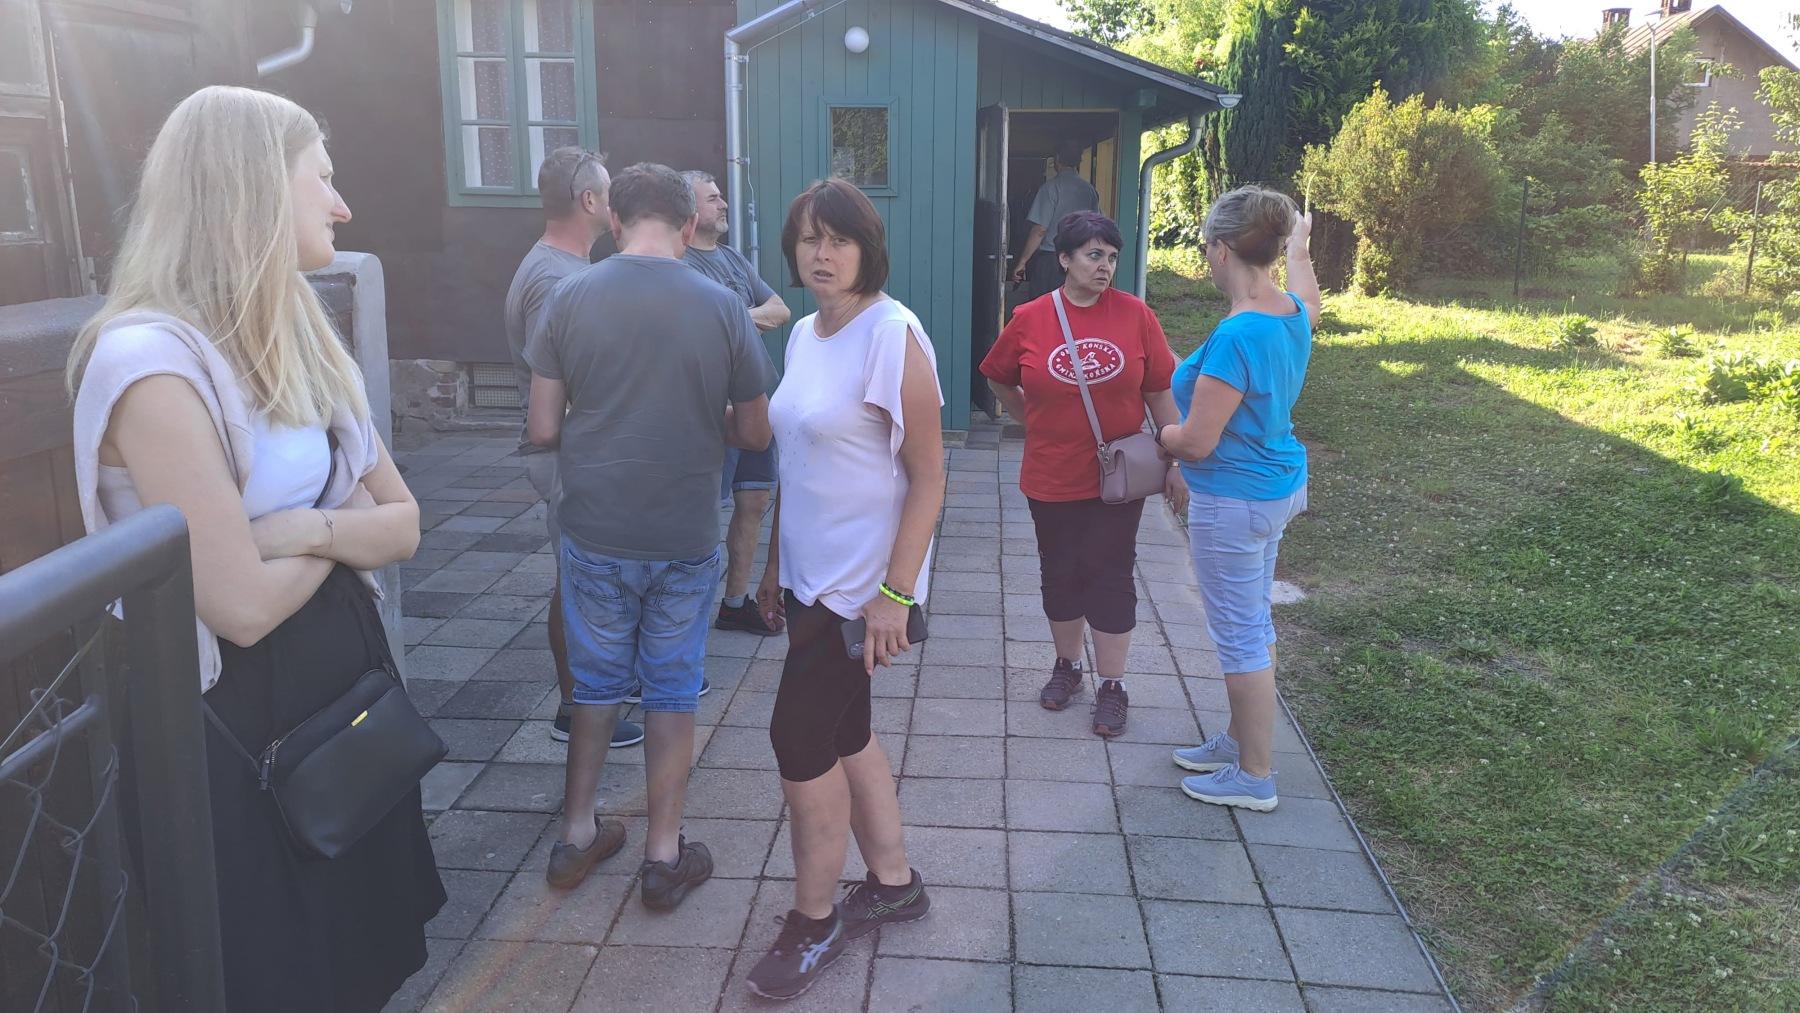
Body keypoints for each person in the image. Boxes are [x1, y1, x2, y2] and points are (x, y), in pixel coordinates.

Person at [66, 85, 444, 1011]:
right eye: (323, 177)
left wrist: (304, 528)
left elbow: (405, 523)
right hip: (235, 717)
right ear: (254, 188)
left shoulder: (297, 332)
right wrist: (340, 527)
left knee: (359, 958)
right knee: (275, 972)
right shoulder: (148, 361)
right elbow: (236, 607)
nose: (342, 205)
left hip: (336, 688)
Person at [524, 162, 775, 907]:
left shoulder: (569, 296)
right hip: (683, 531)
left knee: (596, 684)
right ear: (689, 225)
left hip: (595, 526)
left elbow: (543, 427)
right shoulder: (723, 305)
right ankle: (664, 855)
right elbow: (755, 431)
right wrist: (698, 416)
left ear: (614, 220)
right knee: (671, 690)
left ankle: (576, 834)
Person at [746, 178, 944, 999]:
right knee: (845, 727)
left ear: (868, 249)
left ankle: (816, 918)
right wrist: (771, 565)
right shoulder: (803, 334)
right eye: (808, 239)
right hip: (806, 579)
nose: (821, 254)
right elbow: (796, 460)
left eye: (839, 239)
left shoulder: (892, 335)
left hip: (860, 591)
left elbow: (929, 477)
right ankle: (893, 883)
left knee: (797, 736)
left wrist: (895, 596)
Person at [982, 211, 1185, 738]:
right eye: (1094, 255)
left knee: (1110, 572)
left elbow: (1159, 393)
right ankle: (1067, 666)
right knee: (1060, 572)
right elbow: (998, 376)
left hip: (1118, 478)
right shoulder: (1031, 317)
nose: (1105, 266)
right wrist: (1030, 419)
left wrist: (1175, 460)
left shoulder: (1136, 315)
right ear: (1065, 259)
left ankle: (1113, 685)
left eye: (1112, 257)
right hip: (1050, 474)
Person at [1156, 185, 1319, 813]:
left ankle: (1255, 777)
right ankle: (1240, 740)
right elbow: (1311, 300)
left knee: (1240, 635)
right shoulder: (1289, 313)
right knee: (1254, 622)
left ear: (1222, 250)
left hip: (1234, 500)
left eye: (1206, 247)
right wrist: (1300, 251)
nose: (1206, 257)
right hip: (1275, 487)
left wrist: (1160, 436)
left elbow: (1197, 442)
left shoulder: (1237, 335)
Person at [502, 147, 644, 750]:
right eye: (609, 193)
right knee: (579, 583)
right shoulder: (555, 280)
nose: (615, 205)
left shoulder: (566, 268)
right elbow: (553, 397)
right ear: (590, 201)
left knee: (593, 579)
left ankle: (598, 692)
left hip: (583, 451)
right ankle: (575, 709)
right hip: (567, 456)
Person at [680, 169, 791, 638]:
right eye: (713, 198)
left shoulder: (733, 260)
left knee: (755, 500)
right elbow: (694, 329)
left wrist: (731, 319)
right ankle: (681, 616)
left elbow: (781, 309)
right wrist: (746, 320)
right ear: (688, 209)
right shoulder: (679, 264)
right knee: (705, 510)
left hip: (754, 402)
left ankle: (734, 604)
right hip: (711, 409)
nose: (724, 204)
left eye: (722, 196)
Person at [1010, 140, 1101, 301]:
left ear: (1057, 159)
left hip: (1051, 261)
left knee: (1046, 306)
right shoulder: (1089, 190)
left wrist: (1022, 262)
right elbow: (1097, 225)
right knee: (1074, 305)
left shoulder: (1050, 188)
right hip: (1081, 259)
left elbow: (1040, 230)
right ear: (1078, 161)